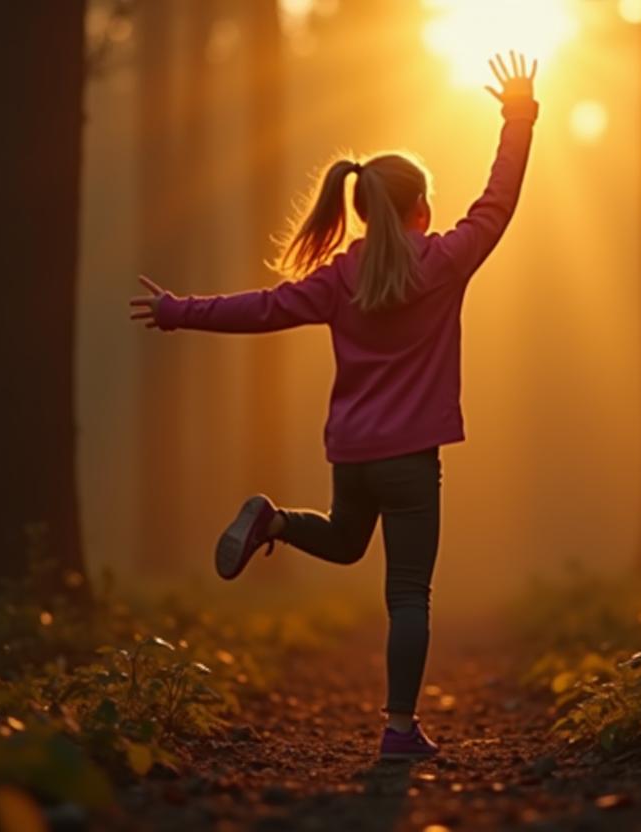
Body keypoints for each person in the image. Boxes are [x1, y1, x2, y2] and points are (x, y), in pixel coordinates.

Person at [130, 51, 538, 761]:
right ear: (421, 209)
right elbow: (498, 200)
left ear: (359, 209)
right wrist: (518, 113)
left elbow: (259, 309)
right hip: (412, 462)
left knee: (348, 543)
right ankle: (400, 731)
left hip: (352, 455)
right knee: (408, 595)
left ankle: (276, 520)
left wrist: (176, 311)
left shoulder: (337, 279)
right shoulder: (444, 262)